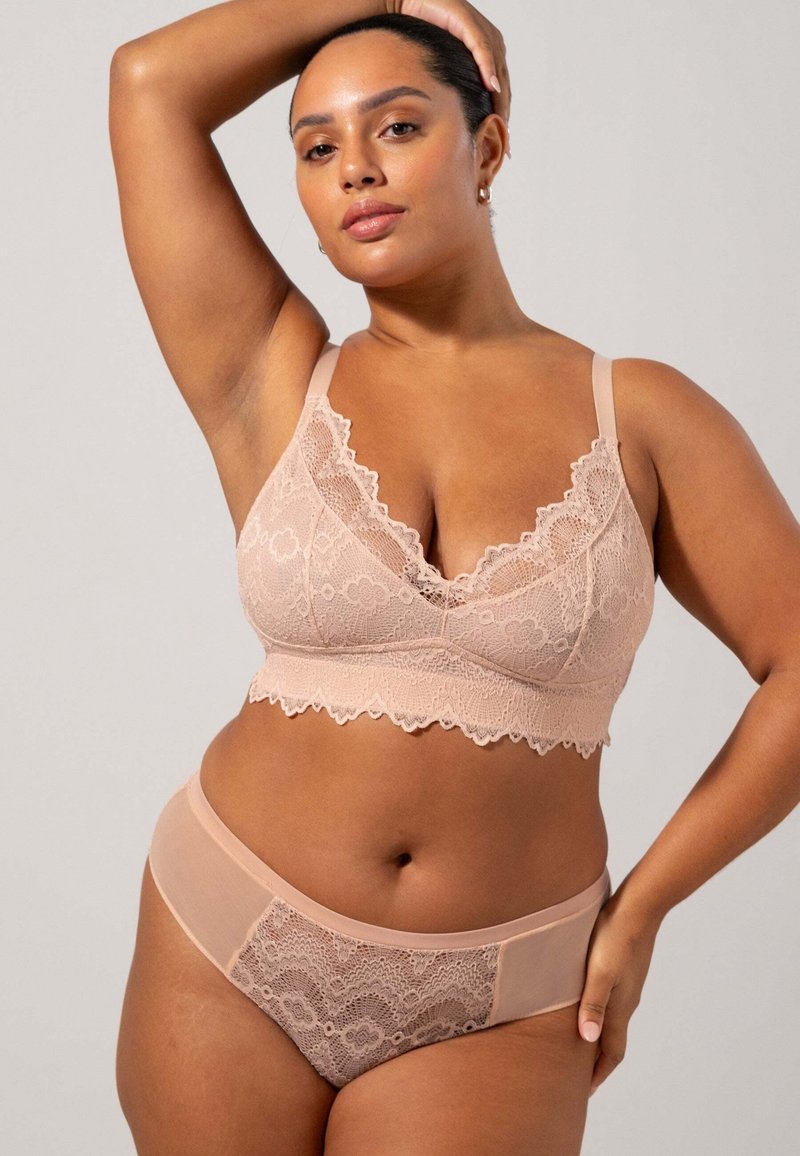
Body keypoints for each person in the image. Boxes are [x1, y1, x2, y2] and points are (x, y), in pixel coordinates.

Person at [109, 1, 800, 1153]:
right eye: (316, 147)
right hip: (229, 937)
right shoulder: (270, 374)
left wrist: (640, 910)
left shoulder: (640, 415)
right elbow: (148, 82)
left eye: (396, 126)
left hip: (505, 990)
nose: (354, 169)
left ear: (487, 147)